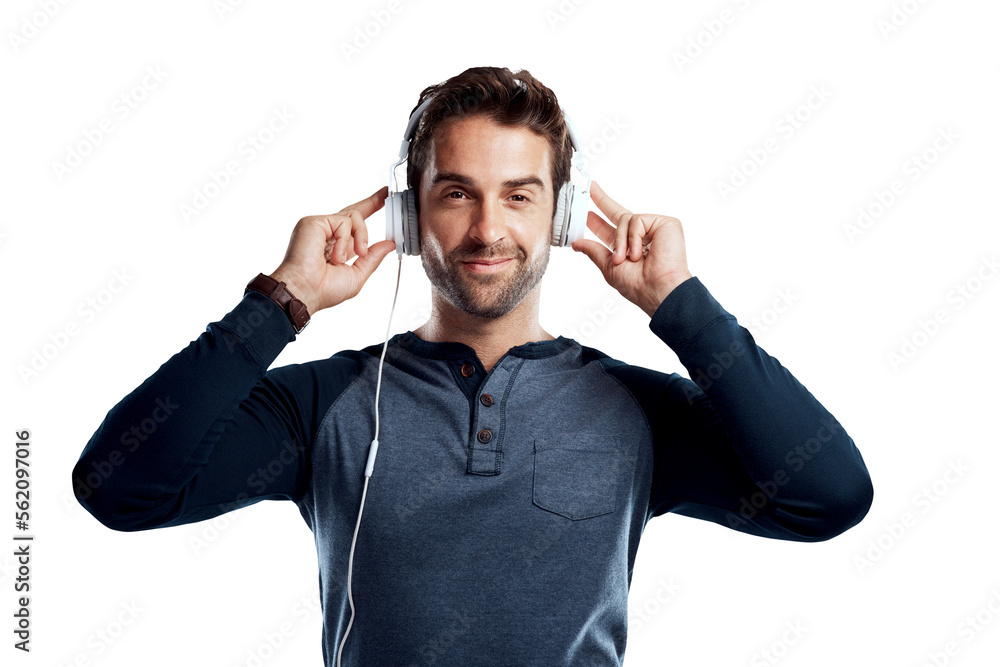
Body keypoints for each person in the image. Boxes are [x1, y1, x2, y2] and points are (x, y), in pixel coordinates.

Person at [72, 66, 874, 666]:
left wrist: (680, 304)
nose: (487, 229)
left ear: (559, 213)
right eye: (456, 193)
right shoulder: (326, 404)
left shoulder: (639, 411)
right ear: (411, 213)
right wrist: (282, 301)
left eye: (520, 196)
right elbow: (118, 485)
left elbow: (830, 496)